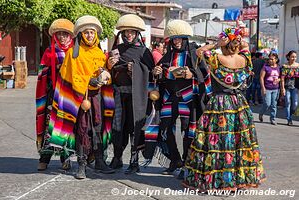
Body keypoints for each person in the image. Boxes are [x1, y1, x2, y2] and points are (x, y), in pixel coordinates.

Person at [183, 28, 265, 191]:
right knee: (239, 140)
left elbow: (199, 52)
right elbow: (246, 47)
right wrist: (239, 41)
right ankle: (237, 179)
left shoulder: (216, 58)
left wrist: (215, 44)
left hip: (220, 103)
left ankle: (216, 179)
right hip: (239, 103)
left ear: (225, 44)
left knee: (217, 141)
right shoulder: (244, 59)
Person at [48, 15, 115, 179]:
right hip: (80, 98)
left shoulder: (100, 53)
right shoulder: (73, 53)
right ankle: (82, 165)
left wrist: (106, 73)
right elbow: (72, 77)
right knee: (83, 129)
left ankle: (99, 161)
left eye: (92, 33)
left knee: (98, 127)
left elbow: (104, 74)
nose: (90, 35)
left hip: (97, 97)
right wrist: (90, 81)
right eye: (86, 33)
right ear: (81, 35)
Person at [152, 19, 205, 175]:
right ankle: (175, 160)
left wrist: (192, 75)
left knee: (188, 132)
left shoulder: (194, 55)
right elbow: (158, 76)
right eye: (174, 39)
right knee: (165, 129)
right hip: (169, 98)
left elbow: (204, 74)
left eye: (180, 38)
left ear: (185, 39)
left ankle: (187, 164)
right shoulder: (167, 56)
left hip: (188, 99)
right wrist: (156, 73)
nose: (177, 42)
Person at [107, 14, 155, 174]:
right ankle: (117, 158)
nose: (128, 35)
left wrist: (135, 69)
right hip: (118, 95)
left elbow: (151, 74)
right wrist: (109, 64)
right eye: (126, 32)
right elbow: (107, 73)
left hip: (137, 97)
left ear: (137, 34)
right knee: (117, 127)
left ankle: (134, 162)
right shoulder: (116, 51)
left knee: (135, 128)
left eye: (132, 32)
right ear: (122, 34)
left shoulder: (144, 52)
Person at [35, 19, 74, 171]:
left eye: (65, 34)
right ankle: (44, 157)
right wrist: (55, 69)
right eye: (60, 34)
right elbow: (42, 73)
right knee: (49, 127)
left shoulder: (75, 51)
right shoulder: (49, 52)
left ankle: (66, 158)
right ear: (55, 36)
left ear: (70, 35)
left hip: (70, 95)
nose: (63, 37)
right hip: (53, 94)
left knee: (67, 127)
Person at [259, 52, 281, 125]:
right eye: (269, 59)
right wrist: (263, 88)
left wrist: (279, 80)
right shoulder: (265, 67)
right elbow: (261, 78)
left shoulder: (279, 67)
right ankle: (261, 113)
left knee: (274, 105)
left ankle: (273, 119)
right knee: (267, 104)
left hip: (275, 89)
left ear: (276, 59)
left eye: (272, 59)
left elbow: (281, 77)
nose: (270, 60)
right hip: (267, 88)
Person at [281, 50, 299, 125]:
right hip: (287, 87)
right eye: (292, 57)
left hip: (296, 87)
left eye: (295, 57)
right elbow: (282, 78)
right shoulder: (285, 66)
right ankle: (289, 119)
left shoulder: (298, 66)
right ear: (288, 57)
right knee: (288, 102)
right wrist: (282, 89)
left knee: (295, 104)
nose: (294, 58)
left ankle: (291, 115)